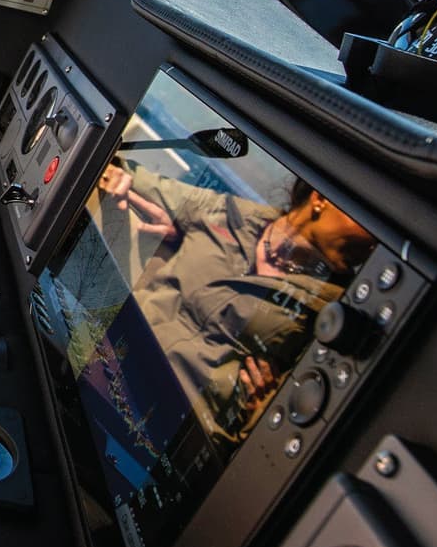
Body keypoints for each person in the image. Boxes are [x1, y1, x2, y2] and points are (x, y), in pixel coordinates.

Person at [97, 163, 375, 445]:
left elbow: (298, 417)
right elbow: (139, 179)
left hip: (169, 431)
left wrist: (262, 409)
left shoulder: (333, 309)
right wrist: (113, 176)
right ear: (321, 199)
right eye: (370, 220)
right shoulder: (232, 215)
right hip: (109, 364)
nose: (375, 244)